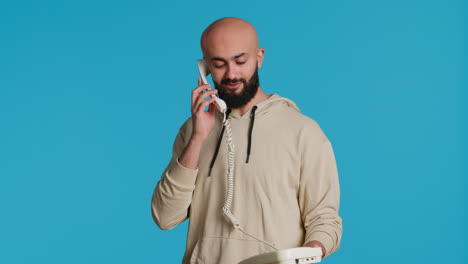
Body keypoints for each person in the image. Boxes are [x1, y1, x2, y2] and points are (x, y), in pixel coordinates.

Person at [151, 17, 343, 264]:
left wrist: (310, 251)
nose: (231, 74)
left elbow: (325, 220)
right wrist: (199, 137)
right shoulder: (192, 131)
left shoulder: (303, 131)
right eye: (219, 64)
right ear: (205, 68)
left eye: (240, 61)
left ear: (259, 57)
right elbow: (165, 217)